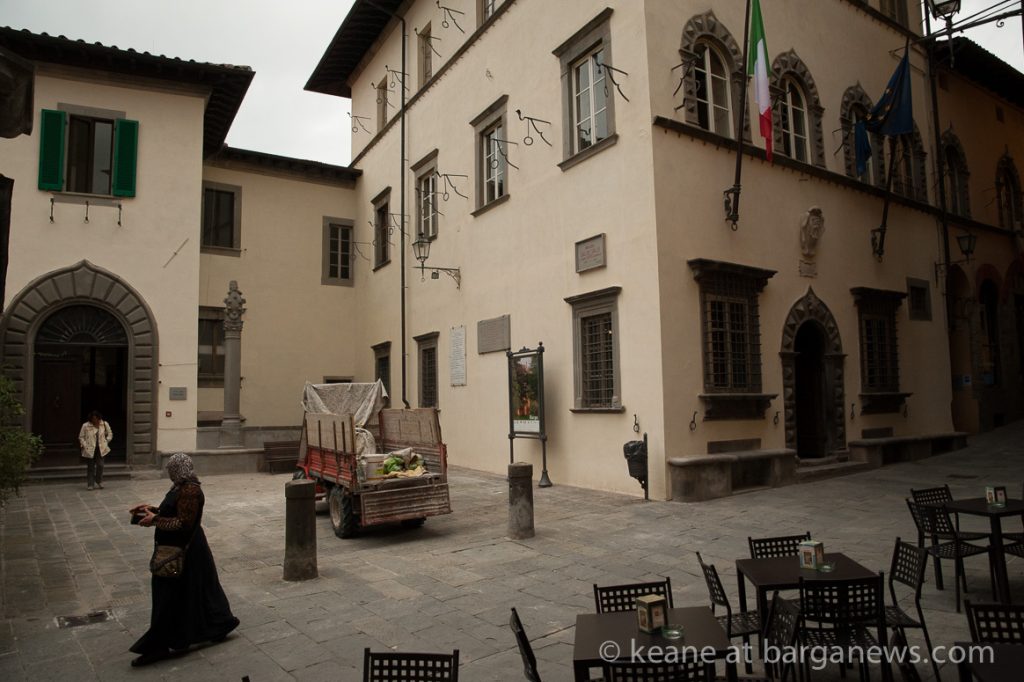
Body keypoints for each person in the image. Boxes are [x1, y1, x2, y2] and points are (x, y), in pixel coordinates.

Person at [129, 453, 239, 667]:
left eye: (171, 469)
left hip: (185, 551)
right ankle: (217, 625)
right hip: (181, 549)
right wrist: (150, 510)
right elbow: (173, 511)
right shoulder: (180, 487)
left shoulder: (190, 490)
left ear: (178, 470)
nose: (169, 473)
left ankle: (161, 644)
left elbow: (183, 523)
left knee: (172, 594)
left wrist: (155, 520)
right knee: (195, 591)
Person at [78, 410, 112, 490]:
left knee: (100, 465)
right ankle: (90, 484)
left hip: (101, 448)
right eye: (93, 419)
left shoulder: (104, 424)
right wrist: (85, 445)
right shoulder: (85, 426)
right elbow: (81, 437)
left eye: (96, 418)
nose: (95, 420)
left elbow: (110, 433)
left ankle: (98, 480)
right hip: (90, 449)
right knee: (90, 467)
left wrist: (106, 441)